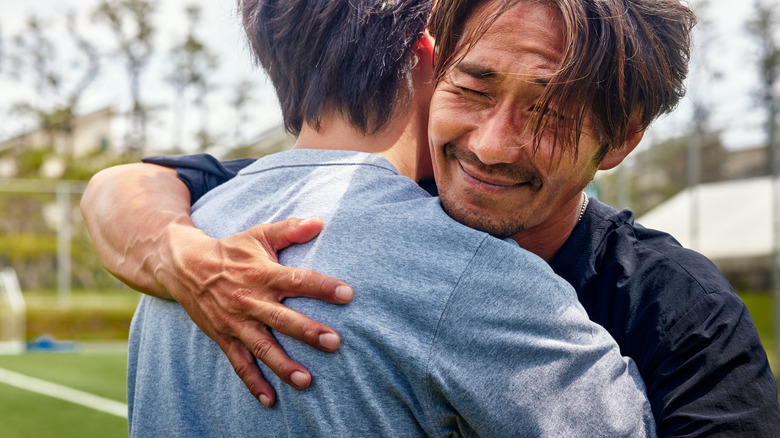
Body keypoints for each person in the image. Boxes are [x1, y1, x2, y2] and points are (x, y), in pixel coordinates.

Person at [81, 0, 780, 436]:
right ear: (434, 69)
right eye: (473, 88)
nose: (490, 144)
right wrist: (180, 256)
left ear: (622, 139)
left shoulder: (684, 312)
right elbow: (126, 186)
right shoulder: (322, 213)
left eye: (551, 111)